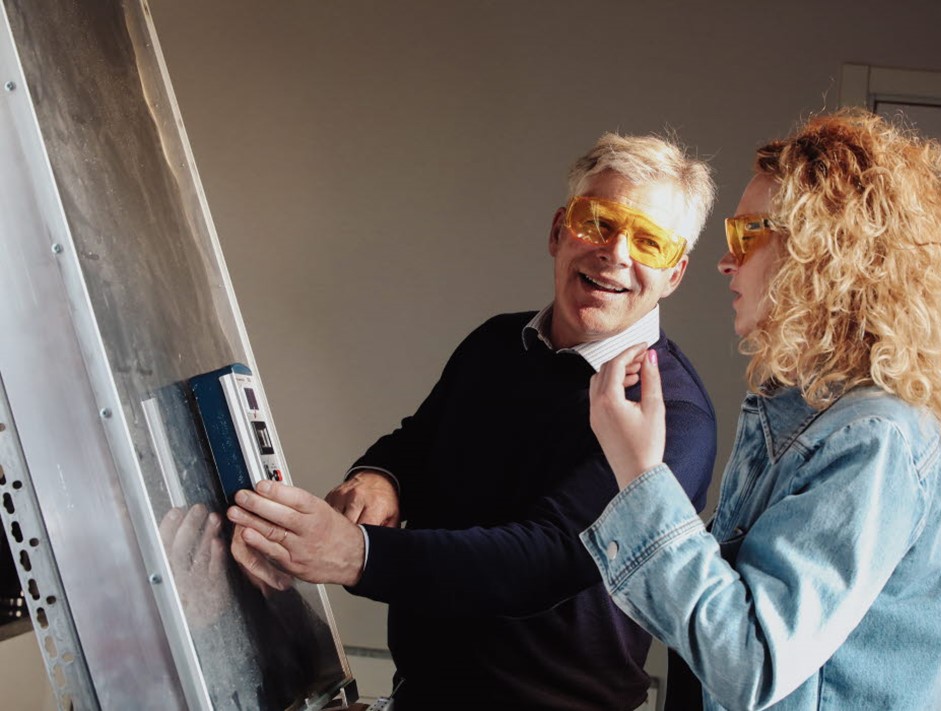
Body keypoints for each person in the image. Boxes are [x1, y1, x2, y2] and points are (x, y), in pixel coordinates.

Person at [227, 133, 720, 710]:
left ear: (674, 274)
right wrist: (382, 477)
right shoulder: (496, 343)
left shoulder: (673, 417)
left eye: (649, 242)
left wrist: (356, 554)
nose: (616, 253)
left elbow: (548, 558)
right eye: (598, 222)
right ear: (558, 231)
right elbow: (419, 443)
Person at [582, 108, 941, 710]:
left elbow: (750, 662)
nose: (726, 261)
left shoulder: (872, 439)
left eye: (748, 235)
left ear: (824, 255)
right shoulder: (795, 414)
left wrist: (641, 476)